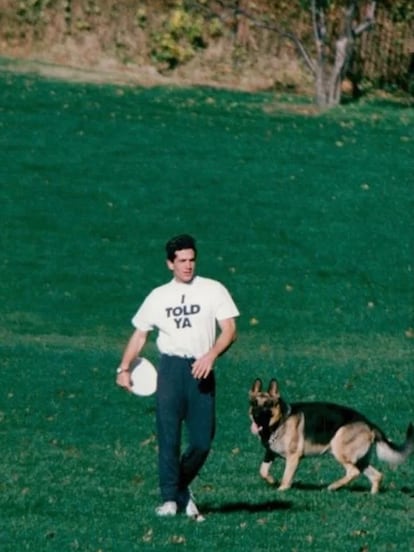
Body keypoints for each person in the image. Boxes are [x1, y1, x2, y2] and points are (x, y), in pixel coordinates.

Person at [116, 234, 239, 521]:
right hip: (170, 370)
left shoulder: (213, 289)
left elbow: (230, 329)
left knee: (202, 442)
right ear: (170, 263)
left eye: (191, 260)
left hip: (202, 369)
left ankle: (180, 488)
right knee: (168, 438)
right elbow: (140, 334)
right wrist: (124, 368)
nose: (188, 266)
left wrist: (211, 355)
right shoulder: (158, 296)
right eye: (181, 261)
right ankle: (170, 500)